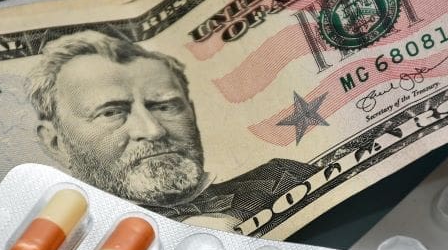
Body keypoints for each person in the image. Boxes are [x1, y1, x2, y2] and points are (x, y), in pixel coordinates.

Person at [27, 30, 317, 228]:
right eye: (112, 112)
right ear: (55, 142)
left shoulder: (285, 180)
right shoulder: (58, 247)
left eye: (165, 106)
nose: (152, 130)